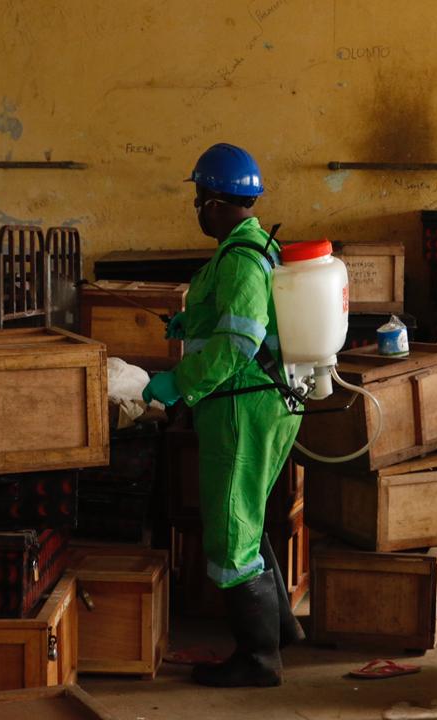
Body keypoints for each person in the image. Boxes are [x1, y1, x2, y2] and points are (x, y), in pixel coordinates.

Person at [142, 143, 303, 687]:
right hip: (264, 402)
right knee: (250, 518)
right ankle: (282, 631)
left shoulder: (238, 258)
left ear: (213, 201)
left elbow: (239, 342)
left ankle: (258, 661)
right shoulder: (255, 246)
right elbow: (232, 322)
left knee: (231, 534)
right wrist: (191, 327)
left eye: (197, 198)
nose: (196, 208)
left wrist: (180, 385)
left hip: (242, 406)